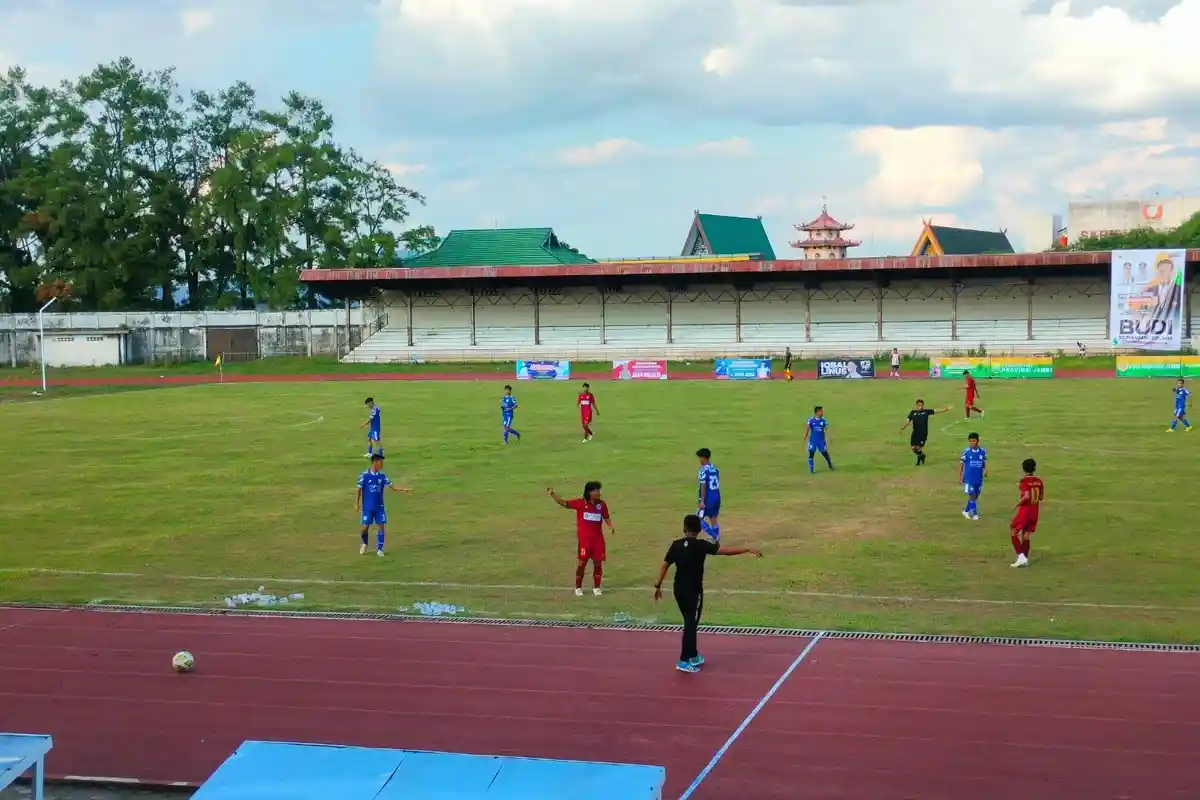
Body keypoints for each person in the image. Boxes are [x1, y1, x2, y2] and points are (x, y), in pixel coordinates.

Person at [653, 514, 762, 673]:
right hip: (693, 591)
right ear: (698, 530)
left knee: (690, 622)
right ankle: (684, 660)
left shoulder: (676, 545)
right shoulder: (701, 545)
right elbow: (726, 551)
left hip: (679, 590)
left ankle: (693, 655)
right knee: (690, 624)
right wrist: (746, 549)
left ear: (684, 528)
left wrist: (658, 585)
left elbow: (665, 565)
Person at [547, 482, 613, 596]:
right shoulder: (580, 503)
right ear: (589, 492)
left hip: (598, 540)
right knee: (582, 564)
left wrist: (610, 526)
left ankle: (597, 588)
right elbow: (564, 503)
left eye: (599, 490)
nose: (599, 493)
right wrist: (553, 494)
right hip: (585, 541)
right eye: (597, 491)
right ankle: (578, 587)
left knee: (598, 564)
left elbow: (606, 516)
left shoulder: (601, 504)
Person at [355, 454, 411, 557]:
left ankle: (380, 549)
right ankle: (364, 543)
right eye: (381, 462)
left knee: (381, 527)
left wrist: (404, 489)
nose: (382, 464)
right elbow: (359, 490)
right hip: (367, 508)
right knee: (365, 528)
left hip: (379, 507)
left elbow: (393, 487)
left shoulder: (382, 476)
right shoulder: (364, 476)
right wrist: (357, 504)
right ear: (375, 462)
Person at [1009, 458, 1045, 568]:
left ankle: (1021, 557)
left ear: (1023, 469)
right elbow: (1041, 497)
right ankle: (1024, 559)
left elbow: (1026, 496)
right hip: (1035, 512)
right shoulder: (1039, 481)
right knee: (1026, 534)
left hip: (1025, 512)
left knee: (1013, 530)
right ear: (1034, 468)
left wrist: (1016, 505)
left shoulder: (1024, 481)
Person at [899, 399, 950, 466]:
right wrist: (902, 428)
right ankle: (922, 455)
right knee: (913, 448)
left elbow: (935, 410)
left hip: (923, 434)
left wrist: (945, 409)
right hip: (915, 433)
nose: (920, 407)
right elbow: (908, 421)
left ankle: (918, 461)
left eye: (922, 405)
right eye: (919, 405)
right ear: (916, 405)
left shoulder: (926, 411)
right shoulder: (912, 412)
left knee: (918, 448)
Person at [958, 432, 988, 520]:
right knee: (971, 495)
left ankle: (966, 511)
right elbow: (961, 465)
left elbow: (983, 462)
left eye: (974, 441)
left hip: (978, 478)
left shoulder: (982, 451)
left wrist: (985, 469)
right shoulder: (966, 452)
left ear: (978, 441)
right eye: (970, 441)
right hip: (968, 478)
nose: (972, 443)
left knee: (976, 496)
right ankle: (974, 514)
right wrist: (960, 477)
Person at [695, 448, 722, 542]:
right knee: (713, 518)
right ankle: (715, 539)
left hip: (708, 498)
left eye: (700, 458)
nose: (699, 460)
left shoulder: (703, 470)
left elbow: (703, 486)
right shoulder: (715, 468)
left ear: (703, 458)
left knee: (698, 519)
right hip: (717, 496)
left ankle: (715, 536)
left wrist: (702, 501)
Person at [804, 406, 834, 473]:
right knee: (811, 453)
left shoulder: (823, 420)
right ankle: (811, 470)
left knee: (825, 453)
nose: (822, 412)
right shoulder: (811, 420)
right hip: (813, 441)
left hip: (821, 441)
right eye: (821, 411)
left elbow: (827, 429)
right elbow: (807, 428)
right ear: (817, 412)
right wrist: (805, 437)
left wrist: (829, 437)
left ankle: (830, 465)